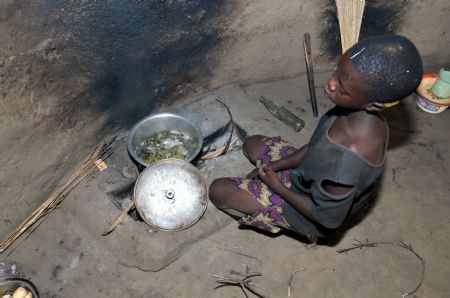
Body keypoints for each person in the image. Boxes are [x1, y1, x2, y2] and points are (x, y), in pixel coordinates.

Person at [209, 34, 423, 241]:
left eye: (342, 88)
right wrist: (275, 166)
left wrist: (276, 186)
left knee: (218, 190)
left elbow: (327, 218)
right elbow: (315, 147)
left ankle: (287, 224)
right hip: (306, 176)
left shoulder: (348, 163)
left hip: (305, 212)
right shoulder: (353, 112)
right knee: (251, 143)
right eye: (336, 73)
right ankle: (272, 182)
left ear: (374, 104)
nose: (330, 83)